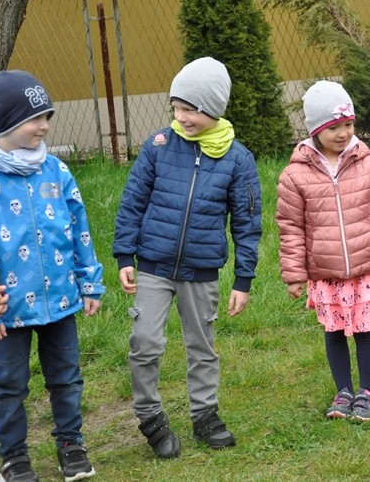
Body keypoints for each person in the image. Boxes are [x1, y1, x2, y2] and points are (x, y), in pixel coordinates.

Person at [113, 57, 262, 457]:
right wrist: (125, 254)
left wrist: (243, 279)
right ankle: (150, 416)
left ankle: (205, 415)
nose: (181, 117)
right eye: (176, 108)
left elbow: (247, 224)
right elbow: (132, 202)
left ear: (213, 108)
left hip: (201, 271)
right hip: (153, 266)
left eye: (190, 109)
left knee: (202, 346)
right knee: (145, 342)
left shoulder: (238, 159)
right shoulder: (158, 146)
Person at [0, 70, 106, 482]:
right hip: (7, 309)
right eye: (35, 117)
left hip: (61, 299)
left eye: (47, 116)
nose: (45, 125)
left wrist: (90, 282)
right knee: (9, 383)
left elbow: (79, 228)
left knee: (66, 377)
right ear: (7, 120)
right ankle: (14, 458)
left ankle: (71, 444)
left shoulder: (56, 170)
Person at [276, 80, 370, 422]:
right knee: (333, 334)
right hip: (325, 274)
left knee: (365, 332)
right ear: (315, 130)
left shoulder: (367, 165)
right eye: (334, 127)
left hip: (363, 270)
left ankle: (368, 393)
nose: (343, 133)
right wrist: (295, 274)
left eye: (348, 124)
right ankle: (343, 391)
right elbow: (290, 228)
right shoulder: (295, 175)